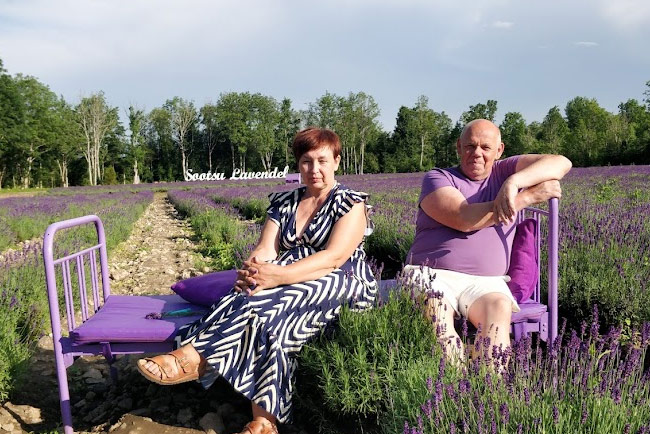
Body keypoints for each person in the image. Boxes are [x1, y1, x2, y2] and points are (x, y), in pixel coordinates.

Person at [137, 127, 377, 434]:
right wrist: (254, 267)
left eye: (322, 160)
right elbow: (267, 248)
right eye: (306, 161)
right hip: (289, 276)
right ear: (298, 164)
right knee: (258, 302)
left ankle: (197, 355)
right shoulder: (285, 202)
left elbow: (333, 257)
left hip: (339, 279)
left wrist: (281, 275)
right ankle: (264, 422)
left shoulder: (350, 203)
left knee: (270, 300)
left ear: (336, 162)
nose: (314, 169)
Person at [404, 119, 572, 363]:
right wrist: (526, 197)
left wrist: (513, 183)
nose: (477, 154)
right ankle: (452, 387)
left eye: (485, 147)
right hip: (432, 274)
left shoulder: (506, 172)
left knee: (499, 309)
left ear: (499, 150)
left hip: (487, 282)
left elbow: (561, 163)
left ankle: (490, 391)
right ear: (458, 148)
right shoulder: (438, 178)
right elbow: (463, 217)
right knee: (436, 313)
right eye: (470, 146)